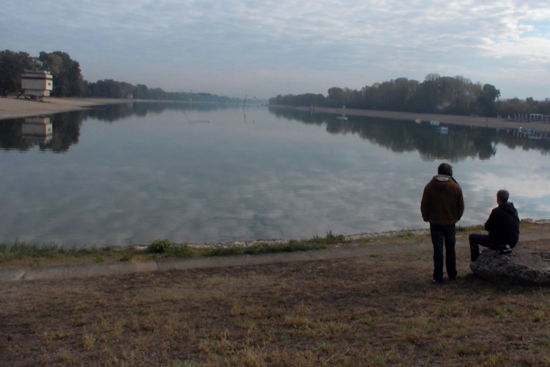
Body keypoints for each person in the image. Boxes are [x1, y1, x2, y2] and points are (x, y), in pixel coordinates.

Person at [421, 163, 465, 283]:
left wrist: (426, 217)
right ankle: (452, 274)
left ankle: (438, 276)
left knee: (438, 249)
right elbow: (461, 206)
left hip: (435, 222)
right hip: (450, 222)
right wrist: (456, 218)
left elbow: (424, 205)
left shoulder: (429, 187)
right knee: (451, 248)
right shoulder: (456, 187)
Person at [469, 190, 520, 262]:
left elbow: (487, 226)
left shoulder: (496, 211)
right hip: (513, 242)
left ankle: (475, 261)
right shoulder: (514, 210)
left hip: (500, 243)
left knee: (472, 237)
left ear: (497, 199)